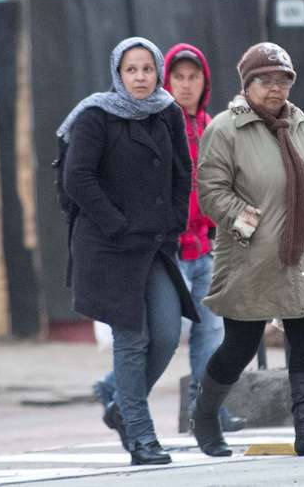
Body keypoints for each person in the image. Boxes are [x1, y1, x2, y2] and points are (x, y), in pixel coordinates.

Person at [192, 41, 304, 457]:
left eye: (283, 80)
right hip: (251, 256)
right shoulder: (225, 129)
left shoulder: (300, 124)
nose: (275, 88)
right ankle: (204, 415)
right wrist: (251, 225)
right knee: (241, 346)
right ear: (247, 85)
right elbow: (211, 193)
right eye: (265, 80)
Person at [91, 43, 246, 433]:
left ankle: (206, 407)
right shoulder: (158, 120)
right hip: (166, 247)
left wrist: (216, 227)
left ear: (205, 83)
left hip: (203, 245)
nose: (186, 85)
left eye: (194, 77)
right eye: (179, 77)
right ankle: (118, 392)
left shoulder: (212, 126)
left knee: (210, 331)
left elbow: (219, 182)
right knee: (162, 333)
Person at [59, 36, 197, 466]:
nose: (140, 77)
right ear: (118, 74)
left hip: (154, 243)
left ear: (158, 71)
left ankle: (121, 407)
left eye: (147, 69)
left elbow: (182, 170)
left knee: (168, 332)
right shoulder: (95, 115)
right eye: (131, 70)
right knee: (132, 339)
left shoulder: (167, 111)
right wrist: (117, 224)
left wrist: (175, 219)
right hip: (108, 244)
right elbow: (77, 179)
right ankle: (141, 437)